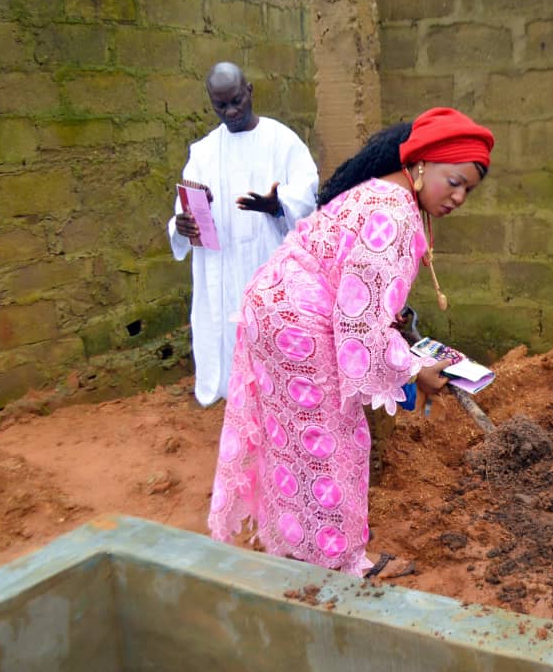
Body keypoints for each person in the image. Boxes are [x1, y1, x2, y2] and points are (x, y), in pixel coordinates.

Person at [207, 107, 495, 576]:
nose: (460, 197)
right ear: (422, 164)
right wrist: (412, 370)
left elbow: (353, 282)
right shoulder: (396, 214)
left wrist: (390, 325)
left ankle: (299, 545)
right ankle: (341, 564)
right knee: (334, 441)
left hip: (274, 311)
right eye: (455, 180)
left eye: (469, 190)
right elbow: (357, 323)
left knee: (293, 438)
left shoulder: (379, 193)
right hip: (300, 327)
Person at [167, 62, 319, 407]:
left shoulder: (281, 140)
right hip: (224, 265)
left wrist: (276, 204)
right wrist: (182, 224)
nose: (230, 111)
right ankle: (237, 407)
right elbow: (183, 206)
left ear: (249, 90)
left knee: (277, 351)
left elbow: (308, 191)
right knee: (230, 345)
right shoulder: (203, 152)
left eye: (235, 100)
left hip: (268, 262)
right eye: (220, 105)